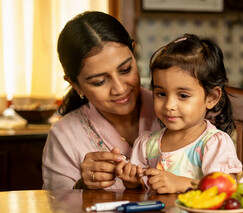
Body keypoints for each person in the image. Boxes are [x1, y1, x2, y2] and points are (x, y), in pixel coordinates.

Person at [42, 11, 160, 190]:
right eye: (100, 82)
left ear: (134, 53)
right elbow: (56, 212)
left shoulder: (174, 110)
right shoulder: (64, 136)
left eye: (126, 69)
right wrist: (82, 187)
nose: (120, 89)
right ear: (75, 84)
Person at [116, 33, 243, 194]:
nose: (169, 105)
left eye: (183, 95)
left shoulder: (213, 144)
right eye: (161, 94)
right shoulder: (147, 145)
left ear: (211, 98)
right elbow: (144, 196)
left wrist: (182, 184)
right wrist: (135, 184)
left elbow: (228, 189)